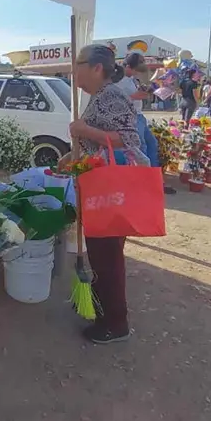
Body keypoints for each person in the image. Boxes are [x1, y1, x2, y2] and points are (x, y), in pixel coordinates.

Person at [64, 44, 148, 345]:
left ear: (97, 68)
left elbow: (128, 139)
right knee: (101, 255)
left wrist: (85, 130)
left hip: (112, 190)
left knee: (108, 258)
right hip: (99, 186)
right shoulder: (98, 96)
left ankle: (115, 323)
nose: (75, 71)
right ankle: (102, 310)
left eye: (78, 65)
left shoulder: (111, 95)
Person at [116, 54, 174, 194]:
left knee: (152, 144)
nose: (136, 73)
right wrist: (150, 89)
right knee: (141, 148)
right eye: (135, 70)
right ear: (128, 66)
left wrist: (149, 88)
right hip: (131, 117)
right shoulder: (119, 80)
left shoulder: (131, 79)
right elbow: (130, 97)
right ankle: (144, 182)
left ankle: (154, 179)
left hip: (139, 116)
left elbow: (138, 94)